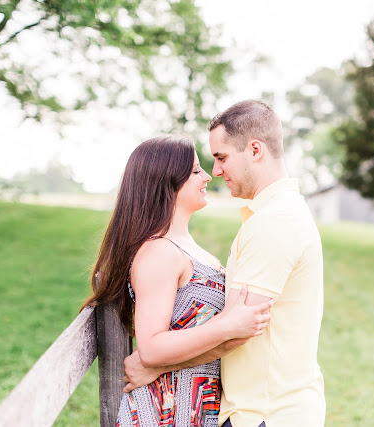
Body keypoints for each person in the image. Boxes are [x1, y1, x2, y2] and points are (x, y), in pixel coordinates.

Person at [124, 101, 326, 427]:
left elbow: (237, 331)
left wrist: (157, 366)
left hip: (265, 413)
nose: (215, 171)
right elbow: (234, 326)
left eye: (221, 158)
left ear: (255, 150)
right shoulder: (276, 215)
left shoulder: (273, 223)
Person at [83, 135, 273, 427]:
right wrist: (228, 325)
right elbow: (151, 348)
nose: (209, 175)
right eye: (196, 170)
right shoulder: (159, 252)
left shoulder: (185, 247)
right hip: (167, 412)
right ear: (166, 181)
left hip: (197, 408)